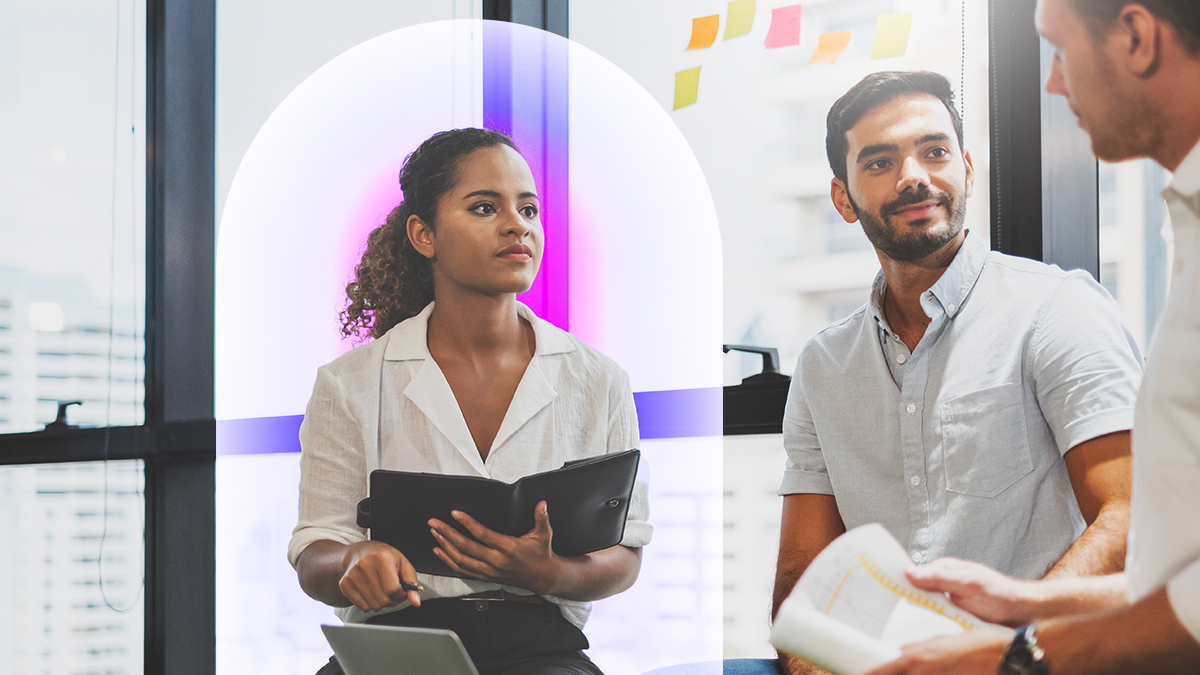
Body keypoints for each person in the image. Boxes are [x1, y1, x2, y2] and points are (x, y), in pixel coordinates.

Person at [764, 70, 1145, 675]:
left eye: (934, 152)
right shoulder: (824, 364)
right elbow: (801, 570)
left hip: (1033, 657)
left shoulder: (1057, 309)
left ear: (966, 167)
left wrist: (1010, 651)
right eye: (881, 162)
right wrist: (811, 660)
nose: (914, 176)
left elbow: (1130, 517)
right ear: (843, 198)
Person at [858, 1, 1200, 673]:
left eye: (1059, 49)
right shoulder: (1184, 218)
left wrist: (1023, 652)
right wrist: (1020, 601)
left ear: (1134, 37)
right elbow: (1177, 577)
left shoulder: (1057, 304)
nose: (1052, 83)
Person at [286, 128, 651, 675]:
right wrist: (351, 559)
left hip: (540, 649)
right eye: (484, 207)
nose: (517, 225)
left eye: (528, 209)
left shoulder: (598, 379)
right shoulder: (350, 383)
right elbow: (316, 549)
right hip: (396, 644)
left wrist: (549, 574)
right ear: (424, 234)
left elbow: (625, 554)